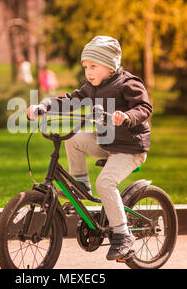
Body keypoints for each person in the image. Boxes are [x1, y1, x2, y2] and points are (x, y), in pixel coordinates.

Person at [27, 35, 153, 260]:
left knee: (105, 182)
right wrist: (44, 105)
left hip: (130, 147)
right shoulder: (91, 88)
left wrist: (126, 116)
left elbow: (144, 107)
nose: (89, 71)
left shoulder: (128, 83)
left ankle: (123, 236)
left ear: (110, 64)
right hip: (107, 141)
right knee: (74, 138)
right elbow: (68, 100)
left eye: (94, 66)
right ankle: (81, 187)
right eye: (85, 66)